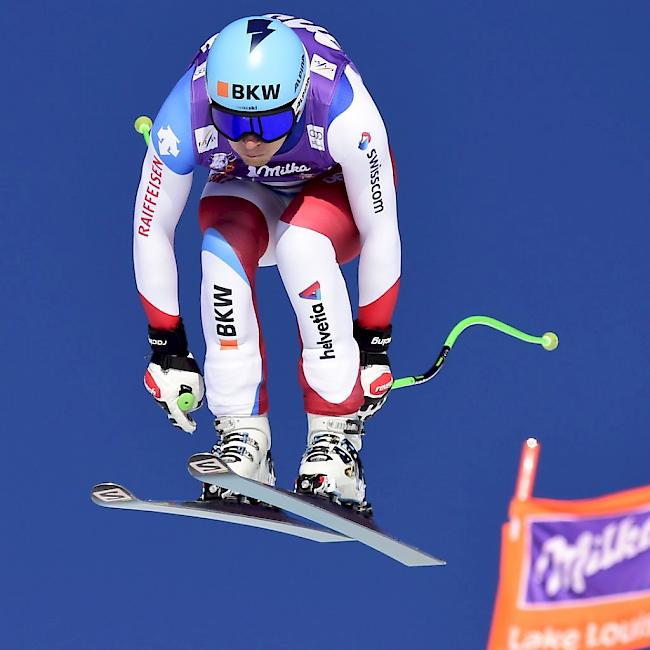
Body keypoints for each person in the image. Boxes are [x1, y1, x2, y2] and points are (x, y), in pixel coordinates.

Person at [133, 14, 400, 511]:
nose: (250, 141)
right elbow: (152, 226)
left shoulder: (345, 109)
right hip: (248, 189)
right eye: (232, 122)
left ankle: (336, 441)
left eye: (269, 122)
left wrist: (374, 342)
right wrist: (166, 346)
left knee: (302, 246)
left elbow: (381, 225)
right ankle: (242, 438)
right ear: (213, 101)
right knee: (220, 251)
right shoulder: (186, 112)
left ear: (299, 102)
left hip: (331, 192)